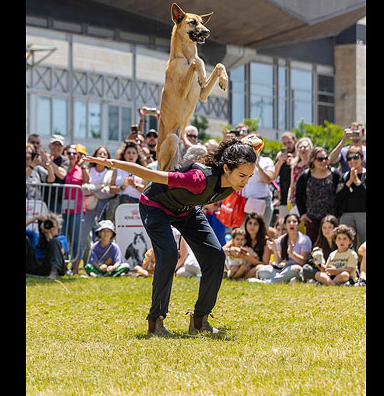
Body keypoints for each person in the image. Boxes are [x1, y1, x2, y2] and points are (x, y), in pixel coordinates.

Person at [83, 135, 259, 336]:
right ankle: (155, 321)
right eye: (242, 176)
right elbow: (151, 175)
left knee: (215, 256)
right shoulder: (197, 179)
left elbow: (244, 153)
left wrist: (248, 144)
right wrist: (112, 163)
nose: (245, 182)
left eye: (249, 177)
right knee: (168, 256)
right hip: (155, 205)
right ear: (226, 168)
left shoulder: (235, 172)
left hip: (187, 210)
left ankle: (200, 321)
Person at [295, 147, 342, 248]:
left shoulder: (335, 174)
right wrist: (302, 213)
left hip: (331, 219)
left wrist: (338, 216)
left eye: (326, 158)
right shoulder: (305, 176)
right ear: (313, 160)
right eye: (320, 159)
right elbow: (298, 195)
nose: (323, 161)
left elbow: (340, 196)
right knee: (313, 247)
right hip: (312, 219)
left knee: (332, 246)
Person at [254, 213, 311, 283]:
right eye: (289, 222)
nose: (291, 223)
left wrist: (292, 254)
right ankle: (287, 280)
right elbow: (278, 261)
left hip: (298, 269)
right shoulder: (282, 239)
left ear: (298, 225)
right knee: (262, 271)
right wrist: (275, 250)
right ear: (285, 225)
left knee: (294, 269)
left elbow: (304, 262)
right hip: (284, 269)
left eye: (294, 221)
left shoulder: (305, 239)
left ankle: (269, 282)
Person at [100, 141, 147, 223]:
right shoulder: (117, 169)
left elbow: (145, 190)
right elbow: (111, 189)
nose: (131, 155)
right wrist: (122, 187)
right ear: (124, 155)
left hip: (136, 206)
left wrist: (134, 185)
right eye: (128, 153)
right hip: (120, 204)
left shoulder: (143, 170)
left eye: (133, 153)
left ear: (137, 156)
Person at [61, 144, 89, 275]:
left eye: (74, 153)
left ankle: (75, 268)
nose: (71, 155)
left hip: (78, 209)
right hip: (62, 210)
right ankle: (62, 266)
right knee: (63, 238)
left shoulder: (80, 169)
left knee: (77, 239)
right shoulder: (62, 168)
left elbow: (87, 180)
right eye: (69, 153)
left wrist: (83, 166)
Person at [335, 145, 366, 248]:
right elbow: (338, 197)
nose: (352, 160)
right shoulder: (344, 176)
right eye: (349, 158)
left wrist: (358, 182)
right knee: (347, 246)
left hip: (363, 214)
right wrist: (348, 183)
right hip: (346, 214)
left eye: (356, 157)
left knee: (364, 245)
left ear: (361, 158)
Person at [82, 147, 114, 247]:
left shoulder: (110, 173)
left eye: (105, 154)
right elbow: (84, 188)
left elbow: (108, 191)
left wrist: (92, 191)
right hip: (89, 206)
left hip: (104, 205)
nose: (102, 156)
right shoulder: (89, 171)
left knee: (102, 232)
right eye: (100, 153)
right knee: (84, 232)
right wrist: (99, 187)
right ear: (95, 156)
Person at [224, 211, 271, 279]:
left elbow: (265, 264)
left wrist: (250, 259)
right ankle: (232, 275)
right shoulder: (242, 236)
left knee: (260, 268)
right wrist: (231, 250)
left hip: (254, 269)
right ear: (246, 224)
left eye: (255, 224)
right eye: (250, 223)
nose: (252, 226)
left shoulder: (265, 241)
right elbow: (223, 249)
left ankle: (236, 278)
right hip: (238, 265)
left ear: (260, 226)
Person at [242, 133, 275, 226]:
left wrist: (257, 164)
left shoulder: (266, 161)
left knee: (261, 233)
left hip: (261, 201)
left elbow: (267, 180)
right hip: (244, 201)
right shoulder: (243, 160)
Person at [25, 214, 66, 279]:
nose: (51, 229)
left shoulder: (61, 239)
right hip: (36, 265)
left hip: (52, 265)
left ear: (58, 228)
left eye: (53, 226)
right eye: (49, 226)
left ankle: (54, 272)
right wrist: (36, 218)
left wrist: (48, 235)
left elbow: (61, 251)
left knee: (54, 241)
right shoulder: (35, 236)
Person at [301, 214, 339, 283]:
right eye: (324, 228)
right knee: (306, 268)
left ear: (335, 228)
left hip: (337, 270)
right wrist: (319, 264)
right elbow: (309, 260)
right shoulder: (319, 243)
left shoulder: (341, 241)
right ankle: (327, 281)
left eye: (330, 227)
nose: (327, 230)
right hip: (322, 271)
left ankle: (325, 281)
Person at [42, 134, 70, 214]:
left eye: (59, 145)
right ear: (49, 145)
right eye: (54, 144)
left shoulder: (65, 160)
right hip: (41, 199)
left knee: (55, 224)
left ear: (63, 148)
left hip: (57, 201)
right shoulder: (42, 158)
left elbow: (62, 175)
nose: (56, 147)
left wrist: (50, 163)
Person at [273, 131, 297, 219]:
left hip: (298, 199)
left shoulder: (301, 156)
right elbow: (273, 176)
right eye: (284, 143)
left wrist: (294, 161)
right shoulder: (280, 156)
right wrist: (279, 162)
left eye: (289, 142)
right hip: (284, 199)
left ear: (295, 141)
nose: (287, 146)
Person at [287, 137, 313, 215]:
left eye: (305, 147)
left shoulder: (314, 164)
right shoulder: (295, 166)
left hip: (310, 200)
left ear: (310, 148)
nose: (302, 149)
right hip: (296, 201)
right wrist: (290, 199)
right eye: (300, 147)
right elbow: (292, 185)